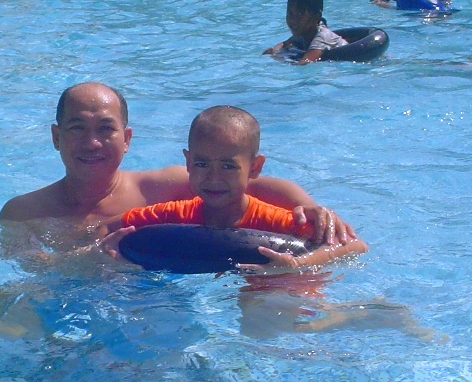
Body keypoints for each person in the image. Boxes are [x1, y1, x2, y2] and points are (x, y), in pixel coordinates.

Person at [0, 82, 358, 249]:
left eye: (106, 129)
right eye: (77, 128)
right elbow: (33, 281)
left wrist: (311, 208)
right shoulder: (22, 213)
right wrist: (90, 262)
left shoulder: (161, 188)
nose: (92, 143)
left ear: (127, 138)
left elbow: (250, 184)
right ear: (56, 136)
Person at [104, 105, 368, 269]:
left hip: (277, 291)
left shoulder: (274, 221)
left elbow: (356, 247)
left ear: (255, 167)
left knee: (256, 316)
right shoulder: (175, 214)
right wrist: (103, 253)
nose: (214, 177)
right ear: (187, 162)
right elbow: (106, 228)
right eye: (202, 163)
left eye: (228, 166)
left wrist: (298, 264)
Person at [263, 0, 348, 64]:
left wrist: (282, 62)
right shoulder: (303, 34)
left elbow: (305, 62)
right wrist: (275, 51)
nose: (293, 19)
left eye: (300, 14)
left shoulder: (321, 37)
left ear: (316, 16)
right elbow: (284, 44)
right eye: (290, 13)